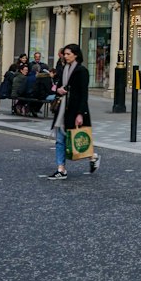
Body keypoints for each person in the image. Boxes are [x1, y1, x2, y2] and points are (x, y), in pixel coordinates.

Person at [47, 43, 100, 180]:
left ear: (76, 55)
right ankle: (61, 169)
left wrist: (80, 114)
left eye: (68, 54)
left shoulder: (82, 71)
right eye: (64, 54)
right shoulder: (64, 69)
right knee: (60, 140)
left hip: (74, 109)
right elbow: (58, 86)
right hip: (62, 110)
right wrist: (59, 90)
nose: (65, 56)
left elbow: (84, 94)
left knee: (77, 140)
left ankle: (93, 157)